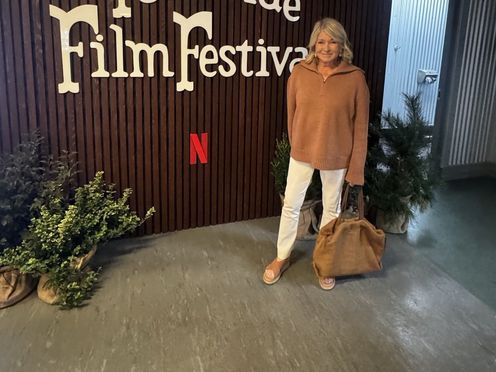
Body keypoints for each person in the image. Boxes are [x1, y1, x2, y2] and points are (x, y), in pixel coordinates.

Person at [262, 18, 370, 290]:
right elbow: (292, 114)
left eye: (332, 41)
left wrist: (356, 168)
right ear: (313, 44)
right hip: (302, 152)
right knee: (291, 205)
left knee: (331, 210)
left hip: (337, 156)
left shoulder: (355, 78)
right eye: (321, 41)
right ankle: (281, 256)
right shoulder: (299, 73)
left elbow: (360, 128)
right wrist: (298, 143)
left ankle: (325, 262)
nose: (326, 47)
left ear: (342, 44)